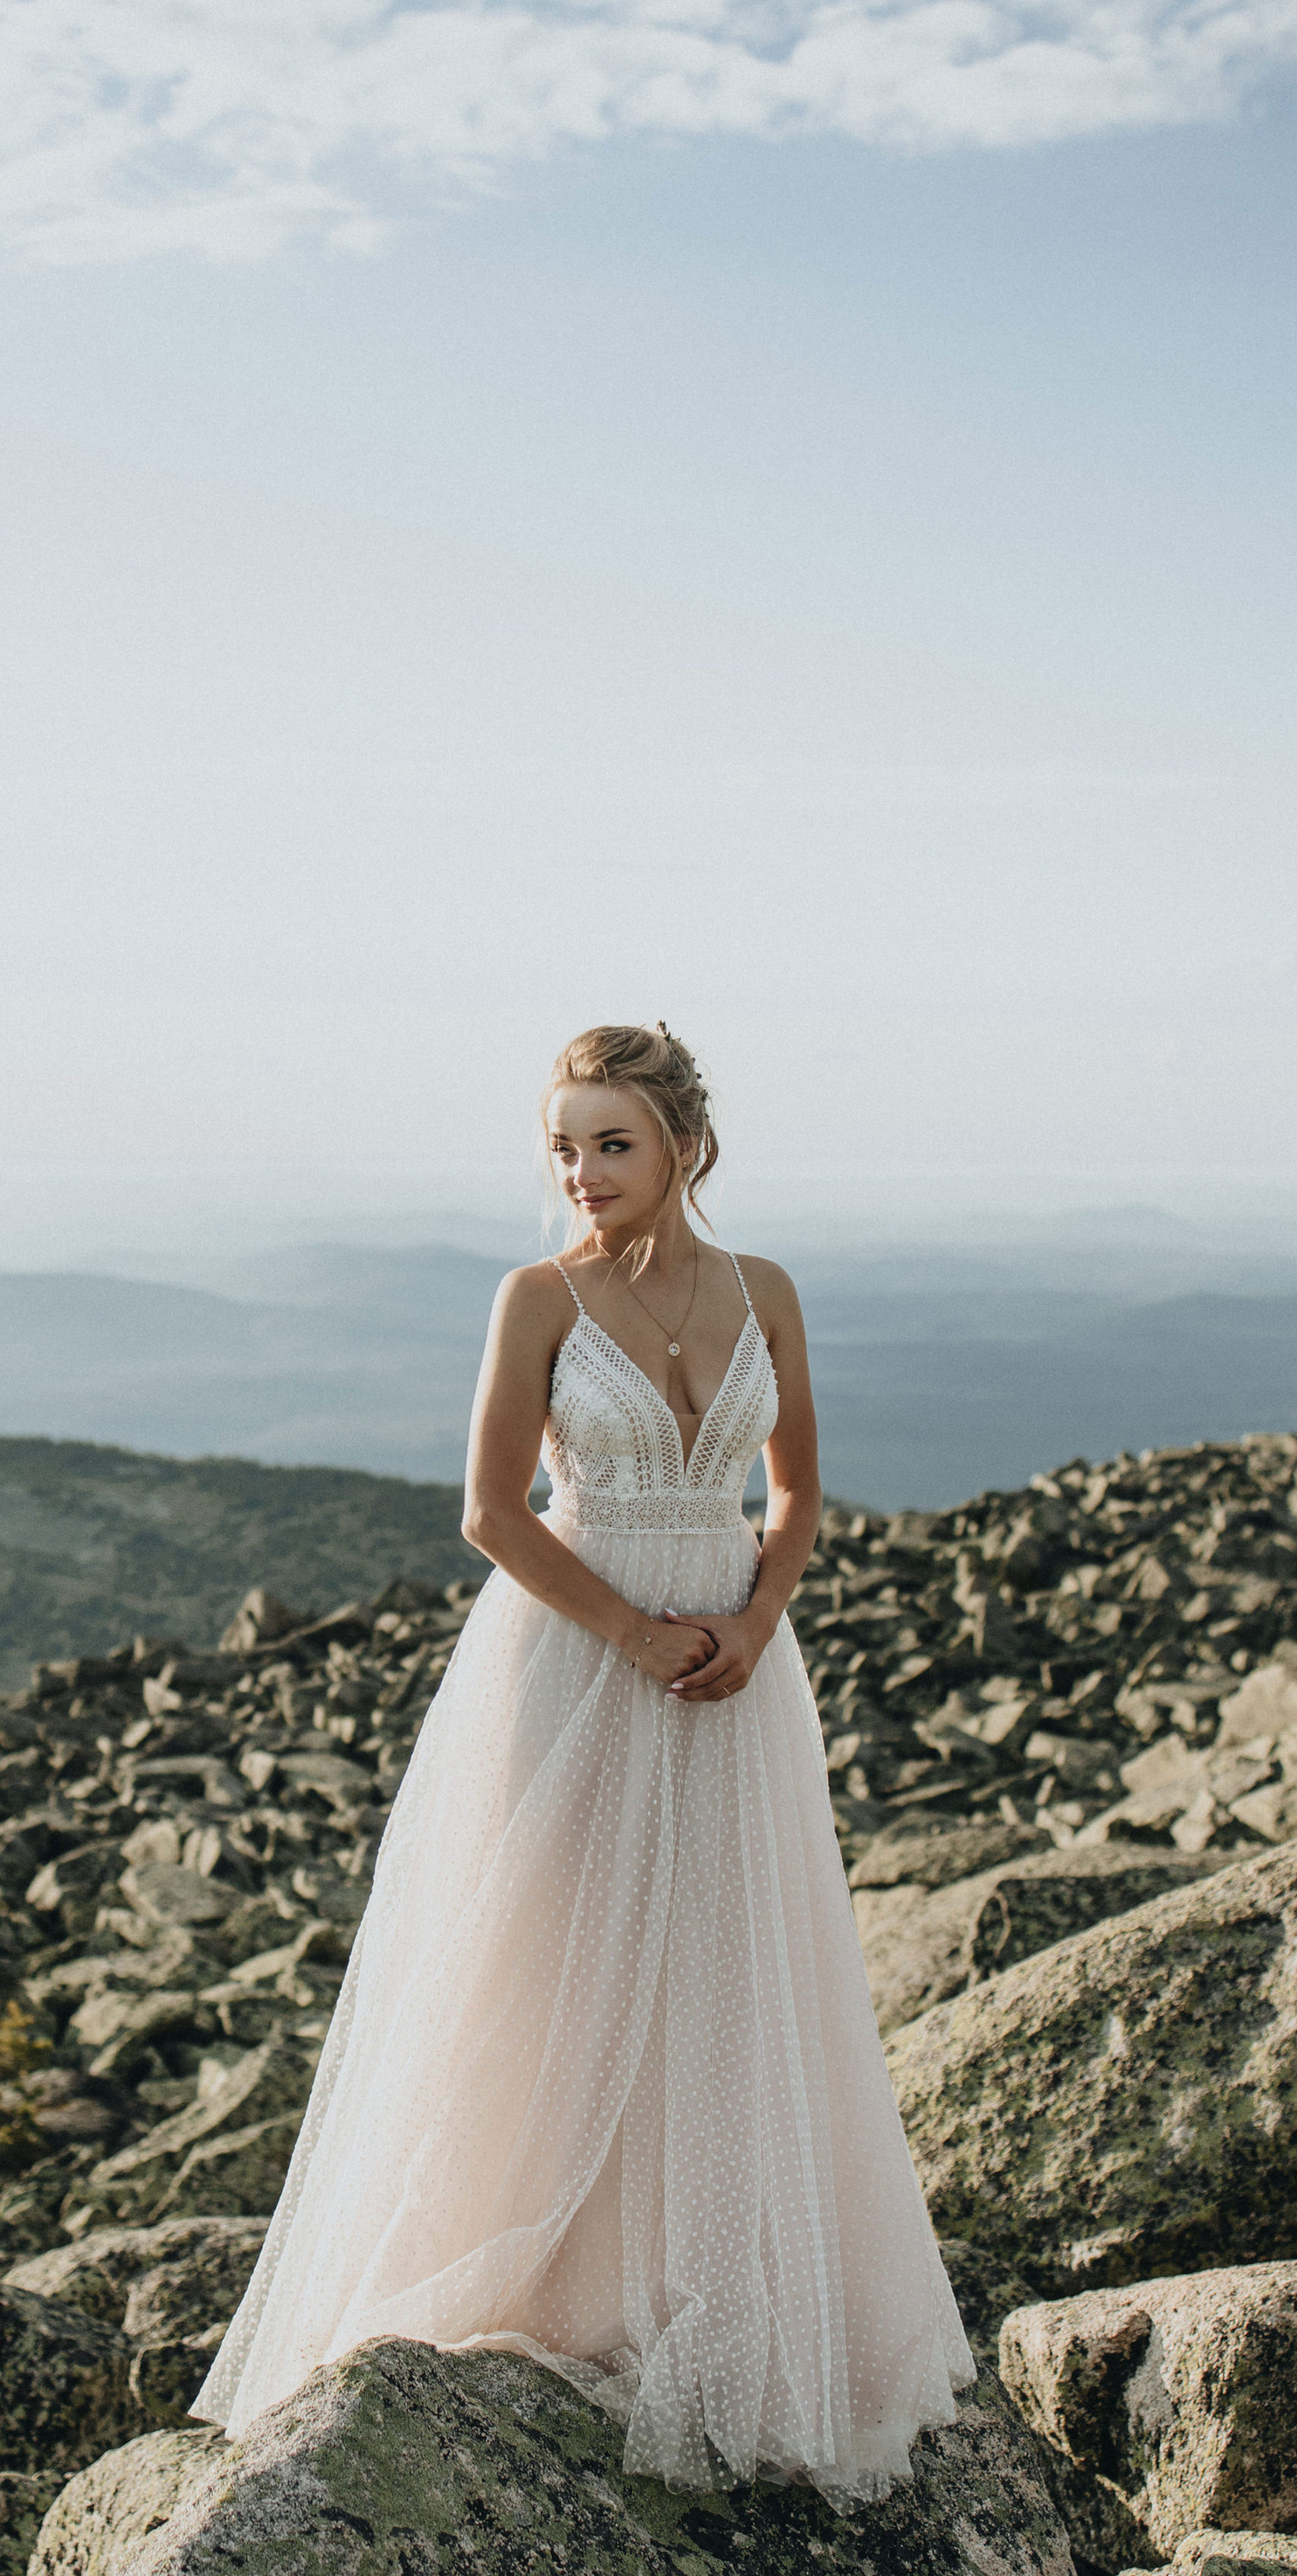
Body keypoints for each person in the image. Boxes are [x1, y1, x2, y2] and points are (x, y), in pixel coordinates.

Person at [192, 1023, 973, 2500]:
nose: (581, 1171)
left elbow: (797, 1486)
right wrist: (631, 1631)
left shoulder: (768, 1294)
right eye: (562, 1144)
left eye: (610, 1141)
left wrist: (754, 1618)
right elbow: (491, 1511)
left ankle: (706, 2282)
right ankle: (548, 2283)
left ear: (682, 1144)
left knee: (727, 1959)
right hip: (572, 1654)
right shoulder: (534, 1298)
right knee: (552, 1956)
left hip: (738, 1664)